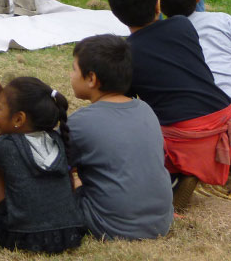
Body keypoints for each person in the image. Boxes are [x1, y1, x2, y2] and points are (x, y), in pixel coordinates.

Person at [105, 0, 231, 209]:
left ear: (117, 15)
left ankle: (175, 175)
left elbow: (127, 104)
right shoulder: (182, 26)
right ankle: (195, 166)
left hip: (184, 134)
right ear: (158, 5)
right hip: (223, 119)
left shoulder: (126, 54)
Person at [156, 0, 231, 194]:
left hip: (229, 112)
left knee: (189, 149)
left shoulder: (161, 34)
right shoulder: (222, 18)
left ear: (158, 5)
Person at [67, 35, 174, 239]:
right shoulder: (145, 109)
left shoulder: (81, 122)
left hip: (112, 225)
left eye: (73, 69)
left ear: (91, 79)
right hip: (161, 221)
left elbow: (50, 165)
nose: (70, 74)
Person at [0, 77, 85, 253]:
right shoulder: (58, 139)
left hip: (20, 237)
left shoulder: (6, 145)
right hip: (69, 234)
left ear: (19, 119)